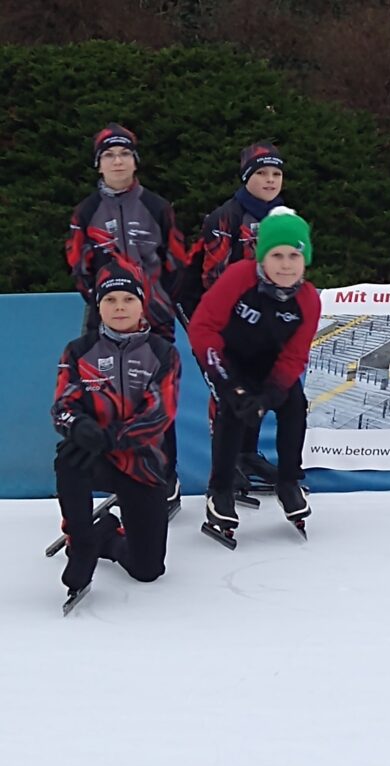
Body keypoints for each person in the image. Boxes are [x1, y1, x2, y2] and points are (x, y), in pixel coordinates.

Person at [65, 123, 187, 510]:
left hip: (155, 318)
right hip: (104, 319)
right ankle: (116, 474)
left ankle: (165, 477)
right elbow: (78, 266)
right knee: (104, 394)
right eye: (109, 155)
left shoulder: (157, 206)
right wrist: (105, 303)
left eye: (124, 154)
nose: (117, 161)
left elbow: (176, 261)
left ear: (135, 161)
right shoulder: (86, 211)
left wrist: (156, 300)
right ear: (98, 164)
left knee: (158, 400)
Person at [188, 206, 320, 542]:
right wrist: (229, 384)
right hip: (228, 359)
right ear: (262, 257)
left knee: (293, 405)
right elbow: (202, 328)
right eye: (277, 255)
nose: (286, 264)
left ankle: (289, 481)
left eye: (294, 255)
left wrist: (271, 393)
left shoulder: (308, 299)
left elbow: (295, 355)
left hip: (271, 365)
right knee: (234, 410)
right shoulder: (238, 277)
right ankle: (220, 489)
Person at [52, 260, 181, 603]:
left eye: (128, 299)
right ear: (99, 307)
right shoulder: (78, 351)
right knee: (69, 456)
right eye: (110, 300)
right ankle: (81, 543)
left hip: (142, 465)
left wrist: (110, 437)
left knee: (147, 570)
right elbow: (62, 408)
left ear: (142, 304)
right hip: (96, 459)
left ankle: (106, 535)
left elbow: (160, 414)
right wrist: (80, 426)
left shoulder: (163, 353)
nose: (119, 307)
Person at [179, 142, 288, 488]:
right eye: (261, 173)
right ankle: (224, 467)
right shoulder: (225, 217)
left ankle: (247, 453)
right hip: (203, 307)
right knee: (226, 383)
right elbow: (213, 279)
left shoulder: (283, 215)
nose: (270, 180)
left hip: (254, 307)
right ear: (246, 178)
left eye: (276, 173)